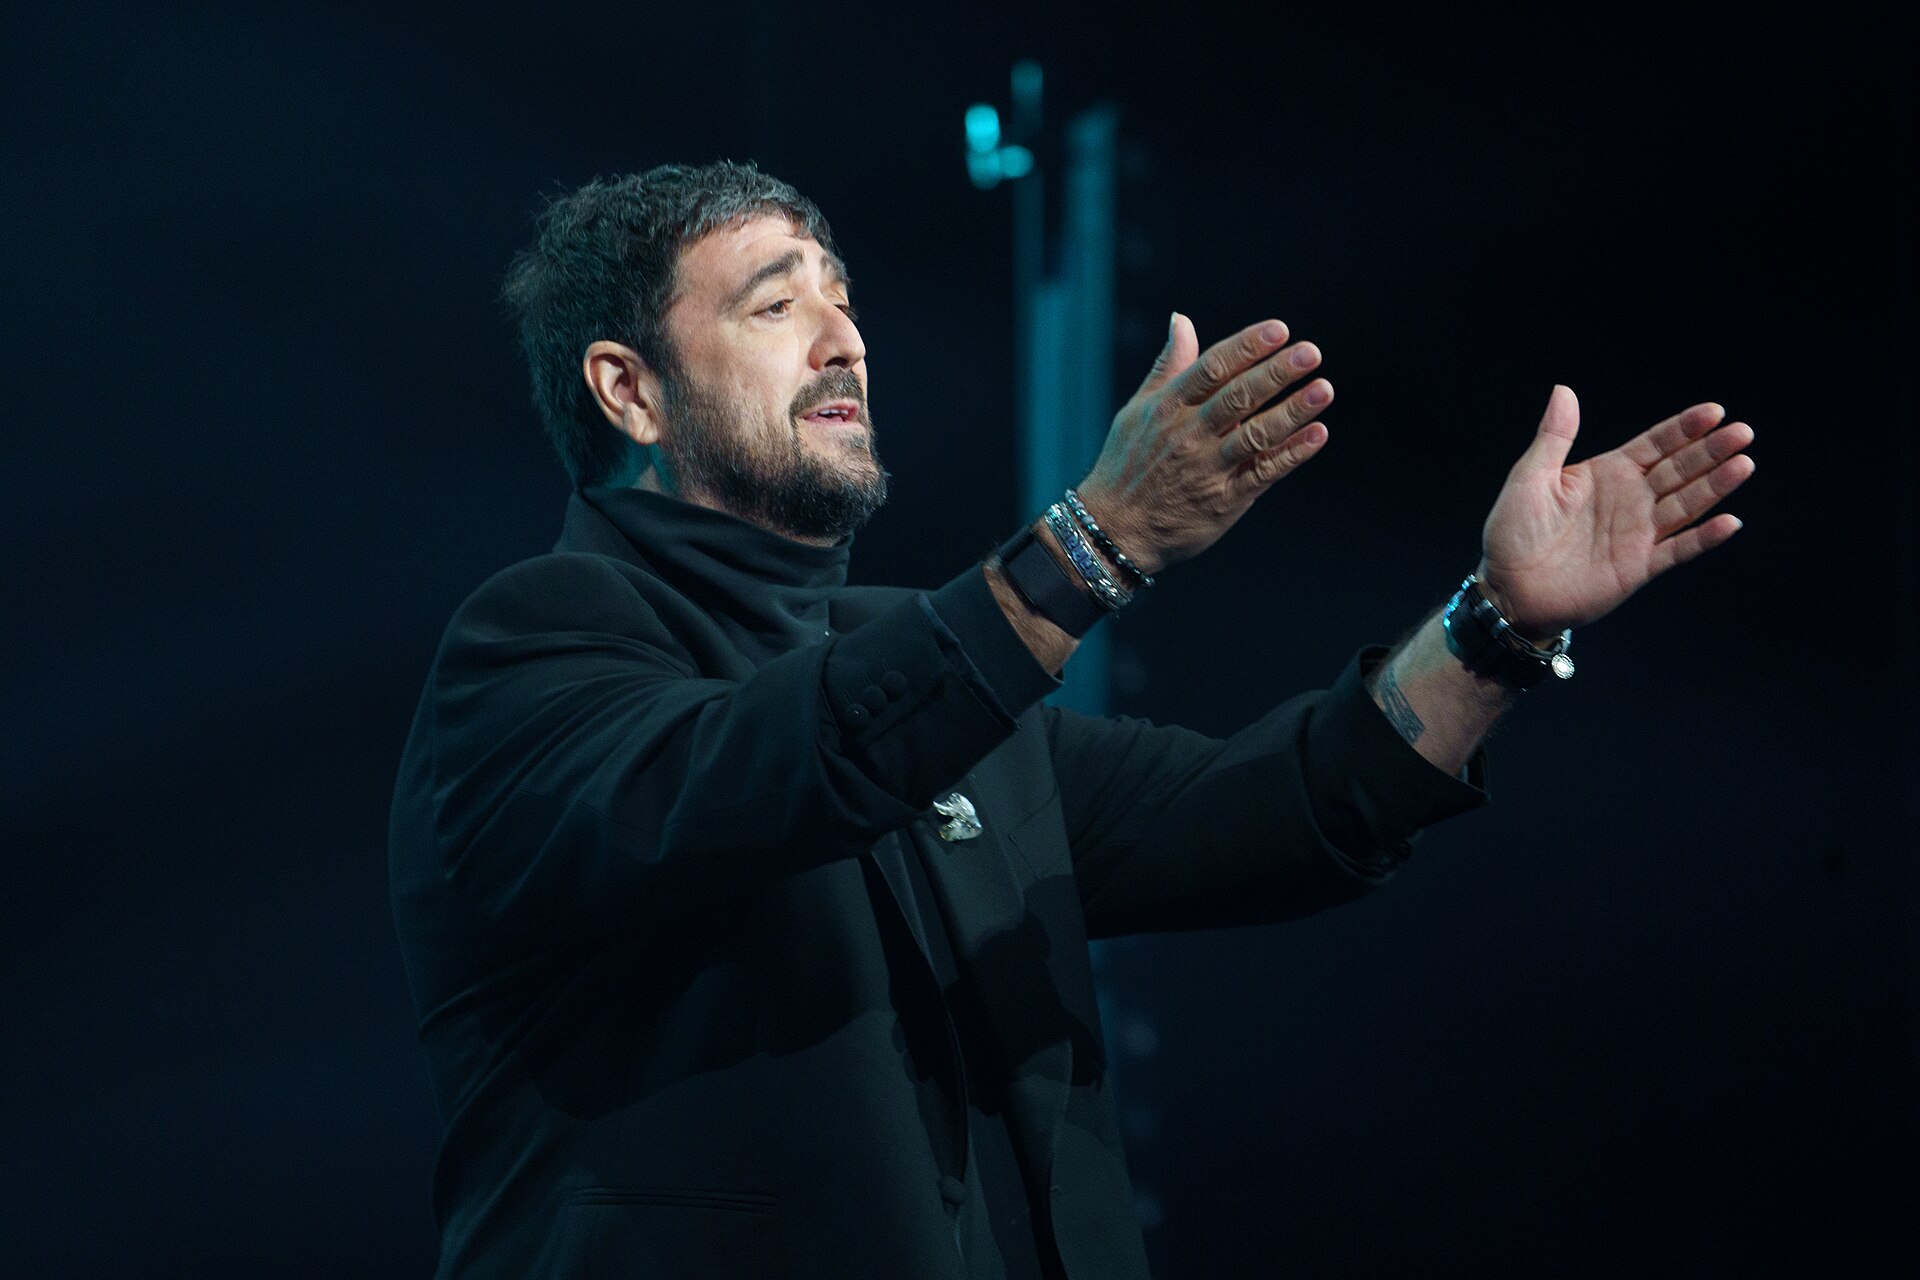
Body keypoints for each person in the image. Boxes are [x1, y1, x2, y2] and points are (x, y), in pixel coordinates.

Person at [387, 161, 1754, 1279]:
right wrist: (1094, 543)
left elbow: (1275, 810)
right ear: (629, 389)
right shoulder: (533, 651)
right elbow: (789, 763)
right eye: (771, 304)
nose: (844, 336)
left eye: (844, 296)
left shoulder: (925, 667)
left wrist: (1496, 628)